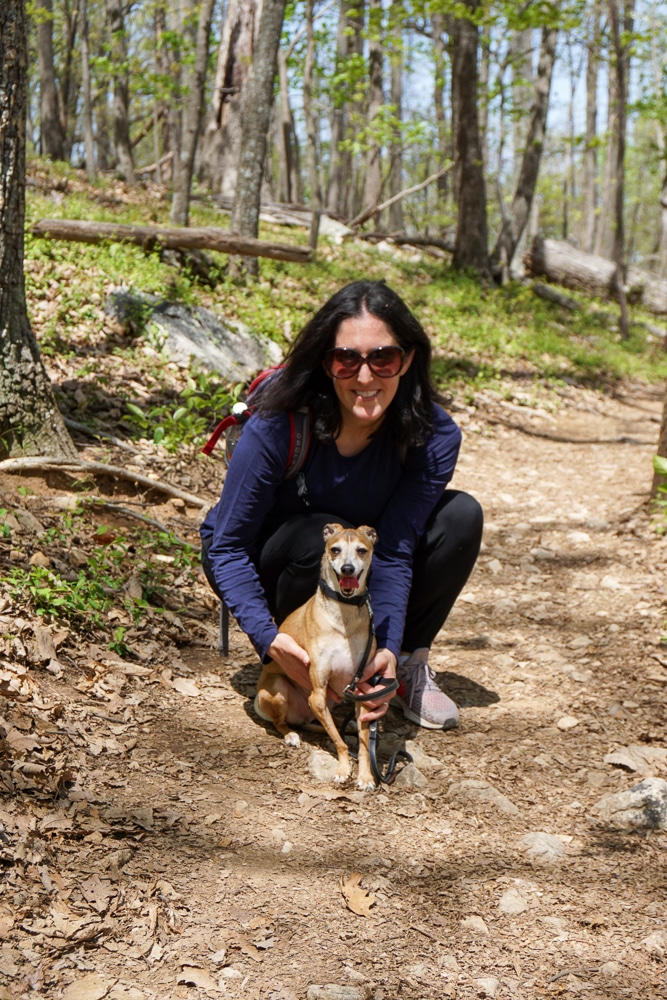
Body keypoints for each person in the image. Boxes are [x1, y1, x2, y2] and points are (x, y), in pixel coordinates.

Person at [200, 280, 483, 730]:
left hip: (358, 567)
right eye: (346, 359)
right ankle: (306, 663)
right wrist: (268, 638)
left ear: (407, 359)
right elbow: (228, 547)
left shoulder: (434, 435)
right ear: (325, 363)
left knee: (460, 516)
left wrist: (387, 644)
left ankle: (398, 664)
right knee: (324, 535)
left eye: (383, 358)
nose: (365, 377)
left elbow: (394, 549)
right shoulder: (277, 426)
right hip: (271, 559)